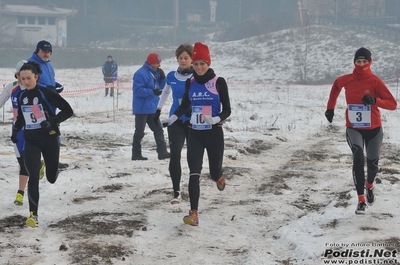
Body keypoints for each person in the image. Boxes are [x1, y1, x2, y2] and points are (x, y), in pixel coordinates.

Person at [162, 42, 231, 226]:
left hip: (214, 133)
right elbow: (185, 105)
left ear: (208, 63)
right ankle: (194, 213)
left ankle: (219, 176)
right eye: (196, 64)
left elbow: (227, 109)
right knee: (194, 172)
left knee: (214, 172)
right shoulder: (190, 83)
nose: (199, 67)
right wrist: (173, 118)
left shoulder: (218, 82)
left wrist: (217, 119)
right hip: (195, 133)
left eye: (202, 63)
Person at [325, 47, 397, 215]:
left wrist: (375, 100)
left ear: (370, 62)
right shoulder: (346, 80)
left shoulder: (375, 81)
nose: (362, 64)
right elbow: (336, 87)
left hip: (374, 130)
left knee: (372, 166)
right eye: (359, 61)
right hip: (353, 128)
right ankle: (360, 200)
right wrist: (330, 108)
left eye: (365, 61)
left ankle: (370, 186)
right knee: (358, 157)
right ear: (354, 62)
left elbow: (393, 104)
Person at [11, 61, 73, 227]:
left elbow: (68, 110)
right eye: (22, 79)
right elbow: (22, 118)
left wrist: (53, 121)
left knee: (51, 178)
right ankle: (33, 215)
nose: (26, 82)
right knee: (32, 177)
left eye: (29, 78)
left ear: (36, 77)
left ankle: (48, 167)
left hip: (49, 138)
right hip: (31, 140)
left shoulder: (46, 93)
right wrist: (15, 131)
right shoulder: (22, 96)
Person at [0, 60, 45, 206]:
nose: (23, 79)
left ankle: (21, 193)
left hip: (33, 130)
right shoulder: (12, 88)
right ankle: (38, 166)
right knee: (22, 162)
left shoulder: (35, 89)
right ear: (17, 75)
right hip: (18, 129)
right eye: (21, 75)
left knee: (27, 162)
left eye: (27, 76)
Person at [155, 43, 194, 204]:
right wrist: (158, 109)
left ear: (192, 59)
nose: (183, 61)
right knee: (175, 155)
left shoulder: (196, 77)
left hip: (193, 121)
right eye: (180, 58)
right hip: (175, 120)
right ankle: (176, 191)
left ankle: (193, 188)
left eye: (186, 58)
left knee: (193, 157)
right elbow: (165, 91)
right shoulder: (172, 76)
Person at [28, 40, 69, 169]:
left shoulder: (48, 65)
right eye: (44, 51)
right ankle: (36, 162)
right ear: (37, 50)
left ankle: (53, 161)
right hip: (39, 104)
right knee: (41, 133)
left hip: (51, 104)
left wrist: (56, 86)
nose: (47, 54)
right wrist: (48, 89)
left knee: (53, 131)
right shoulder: (31, 64)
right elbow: (31, 84)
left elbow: (50, 81)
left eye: (49, 52)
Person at [131, 53, 170, 161]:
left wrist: (162, 78)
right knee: (139, 132)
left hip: (152, 106)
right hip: (142, 108)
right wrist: (152, 91)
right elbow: (137, 91)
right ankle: (136, 154)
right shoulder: (140, 73)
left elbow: (161, 87)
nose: (159, 65)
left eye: (159, 63)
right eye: (157, 63)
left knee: (158, 129)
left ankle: (162, 152)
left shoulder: (155, 73)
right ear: (151, 63)